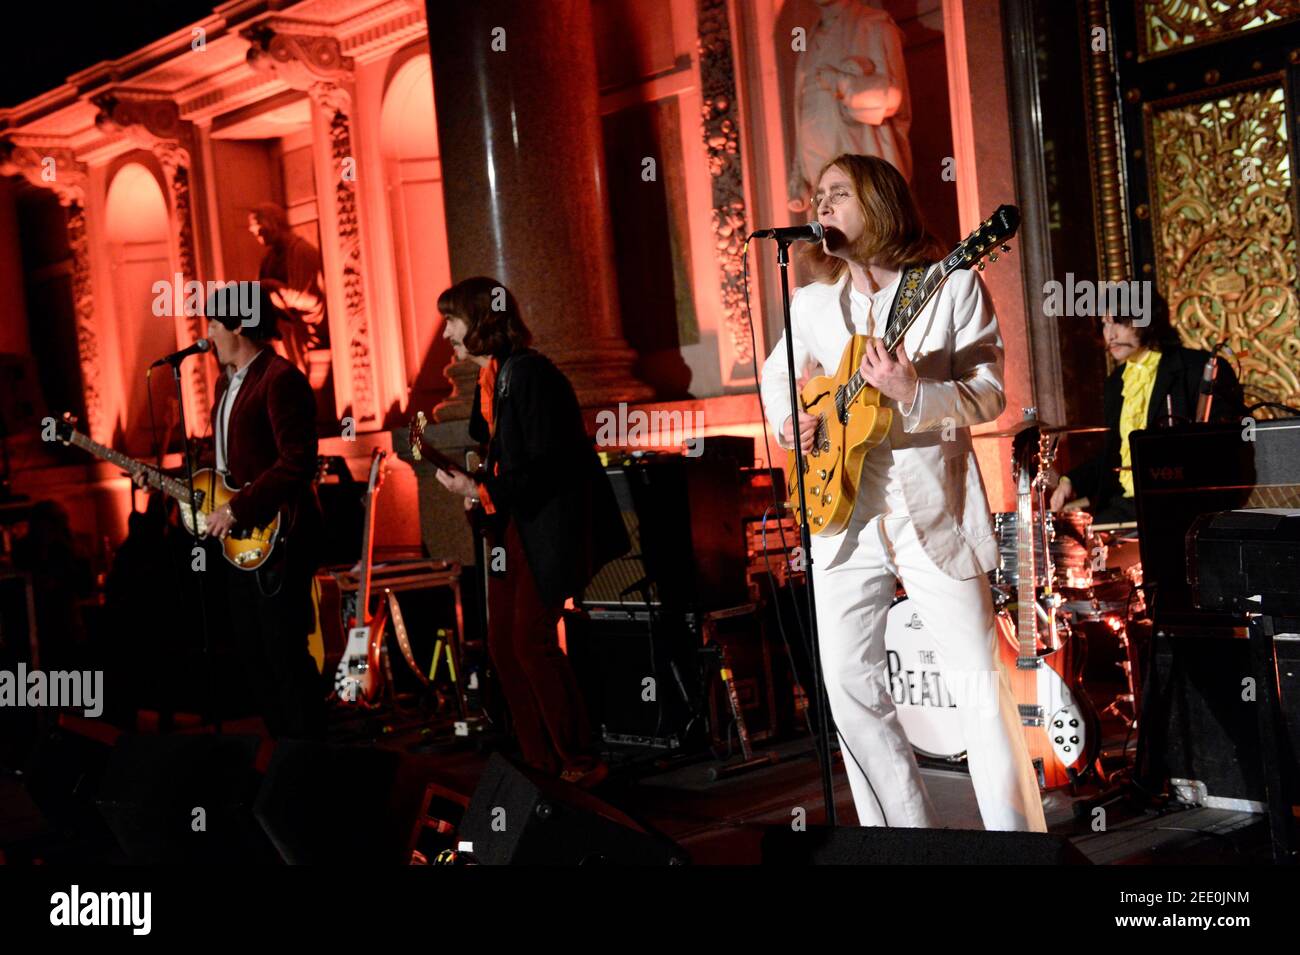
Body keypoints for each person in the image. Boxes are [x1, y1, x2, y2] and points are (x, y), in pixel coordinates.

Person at [759, 153, 1046, 831]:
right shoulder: (812, 304)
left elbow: (991, 395)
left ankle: (1018, 843)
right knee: (850, 687)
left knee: (978, 684)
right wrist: (790, 421)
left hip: (931, 514)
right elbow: (778, 377)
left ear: (881, 204)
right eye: (817, 197)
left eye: (838, 194)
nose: (820, 207)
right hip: (843, 514)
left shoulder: (950, 290)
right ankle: (902, 841)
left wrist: (915, 391)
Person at [430, 277, 627, 787]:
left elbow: (546, 465)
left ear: (481, 321)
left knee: (529, 642)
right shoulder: (491, 379)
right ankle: (541, 765)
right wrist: (476, 486)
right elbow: (504, 459)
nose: (446, 332)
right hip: (513, 526)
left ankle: (579, 761)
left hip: (545, 527)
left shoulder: (530, 374)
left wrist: (480, 491)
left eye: (452, 319)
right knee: (503, 644)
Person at [137, 282, 324, 738]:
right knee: (253, 653)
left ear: (239, 324)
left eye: (214, 326)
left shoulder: (280, 379)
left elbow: (297, 461)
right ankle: (284, 757)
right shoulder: (227, 383)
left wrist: (239, 509)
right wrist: (167, 483)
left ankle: (309, 760)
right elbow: (224, 468)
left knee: (284, 653)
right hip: (239, 542)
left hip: (279, 534)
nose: (208, 338)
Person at [1049, 298, 1245, 522]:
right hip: (1129, 505)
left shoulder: (1197, 368)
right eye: (1105, 324)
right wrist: (1070, 481)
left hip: (1183, 504)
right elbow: (1113, 456)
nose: (1110, 335)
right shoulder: (1116, 383)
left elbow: (1225, 446)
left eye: (1119, 322)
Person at [248, 203, 329, 372]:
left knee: (277, 328)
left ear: (275, 223)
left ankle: (288, 380)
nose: (258, 236)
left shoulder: (301, 252)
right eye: (254, 232)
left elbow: (312, 300)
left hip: (300, 324)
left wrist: (275, 289)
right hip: (277, 317)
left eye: (261, 229)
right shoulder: (268, 259)